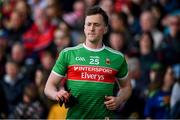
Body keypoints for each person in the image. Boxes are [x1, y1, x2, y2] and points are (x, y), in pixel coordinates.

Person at [44, 6, 132, 119]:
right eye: (88, 24)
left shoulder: (117, 57)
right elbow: (48, 87)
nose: (91, 28)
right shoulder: (68, 54)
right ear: (84, 28)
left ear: (105, 29)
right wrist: (56, 94)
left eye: (96, 24)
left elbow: (127, 87)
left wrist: (119, 100)